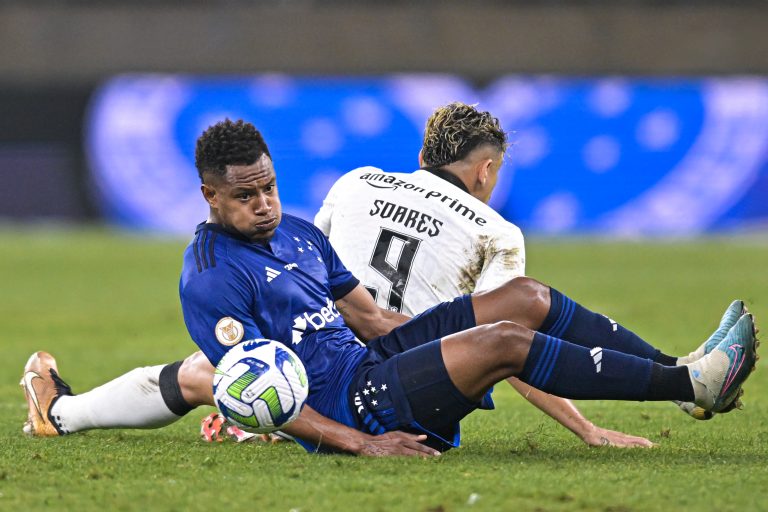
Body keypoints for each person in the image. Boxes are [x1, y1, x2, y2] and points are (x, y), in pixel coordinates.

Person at [22, 118, 757, 456]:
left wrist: (445, 340)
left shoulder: (300, 232)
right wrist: (359, 445)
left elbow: (373, 319)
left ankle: (681, 367)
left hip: (372, 363)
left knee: (523, 298)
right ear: (210, 198)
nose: (264, 202)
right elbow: (251, 389)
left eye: (270, 186)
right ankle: (691, 387)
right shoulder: (211, 276)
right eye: (246, 195)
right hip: (357, 406)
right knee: (509, 342)